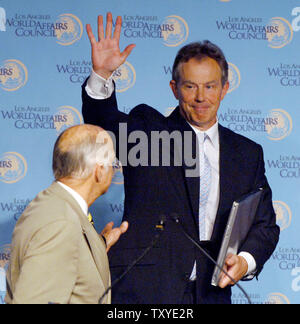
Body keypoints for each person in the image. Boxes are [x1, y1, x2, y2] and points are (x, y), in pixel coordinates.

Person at [82, 13, 280, 304]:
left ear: (224, 89)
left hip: (213, 293)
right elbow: (103, 122)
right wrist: (102, 76)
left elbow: (265, 224)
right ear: (174, 88)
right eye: (190, 86)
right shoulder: (147, 132)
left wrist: (246, 261)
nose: (201, 97)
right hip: (146, 292)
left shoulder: (247, 153)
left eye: (210, 86)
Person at [5, 124, 128, 304]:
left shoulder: (57, 206)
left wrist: (100, 243)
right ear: (99, 170)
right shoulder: (61, 223)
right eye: (112, 163)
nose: (113, 170)